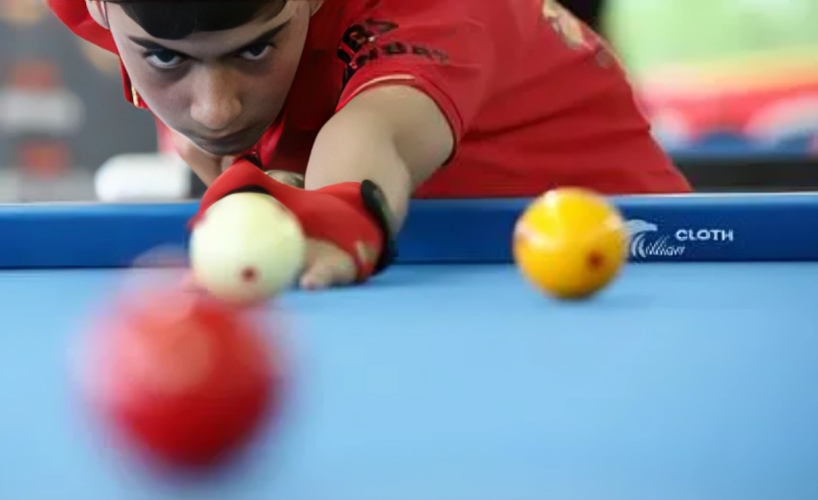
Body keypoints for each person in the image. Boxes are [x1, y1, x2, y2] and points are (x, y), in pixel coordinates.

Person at [48, 0, 691, 289]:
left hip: (646, 262)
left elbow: (372, 130)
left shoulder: (440, 6)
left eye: (256, 49)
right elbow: (216, 143)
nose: (217, 108)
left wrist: (332, 211)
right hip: (422, 284)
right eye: (165, 58)